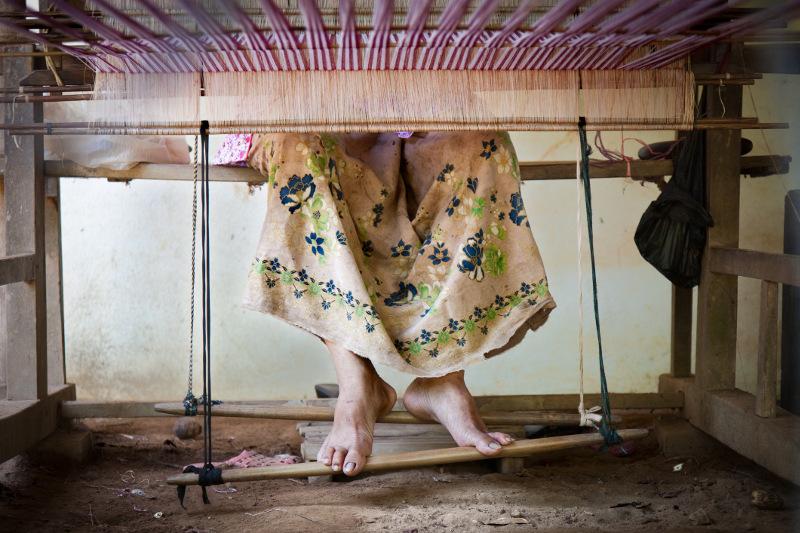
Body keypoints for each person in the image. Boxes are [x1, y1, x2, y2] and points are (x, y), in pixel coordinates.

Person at [234, 131, 555, 477]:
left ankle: (442, 378)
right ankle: (357, 384)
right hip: (321, 115)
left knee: (481, 142)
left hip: (416, 115)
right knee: (298, 143)